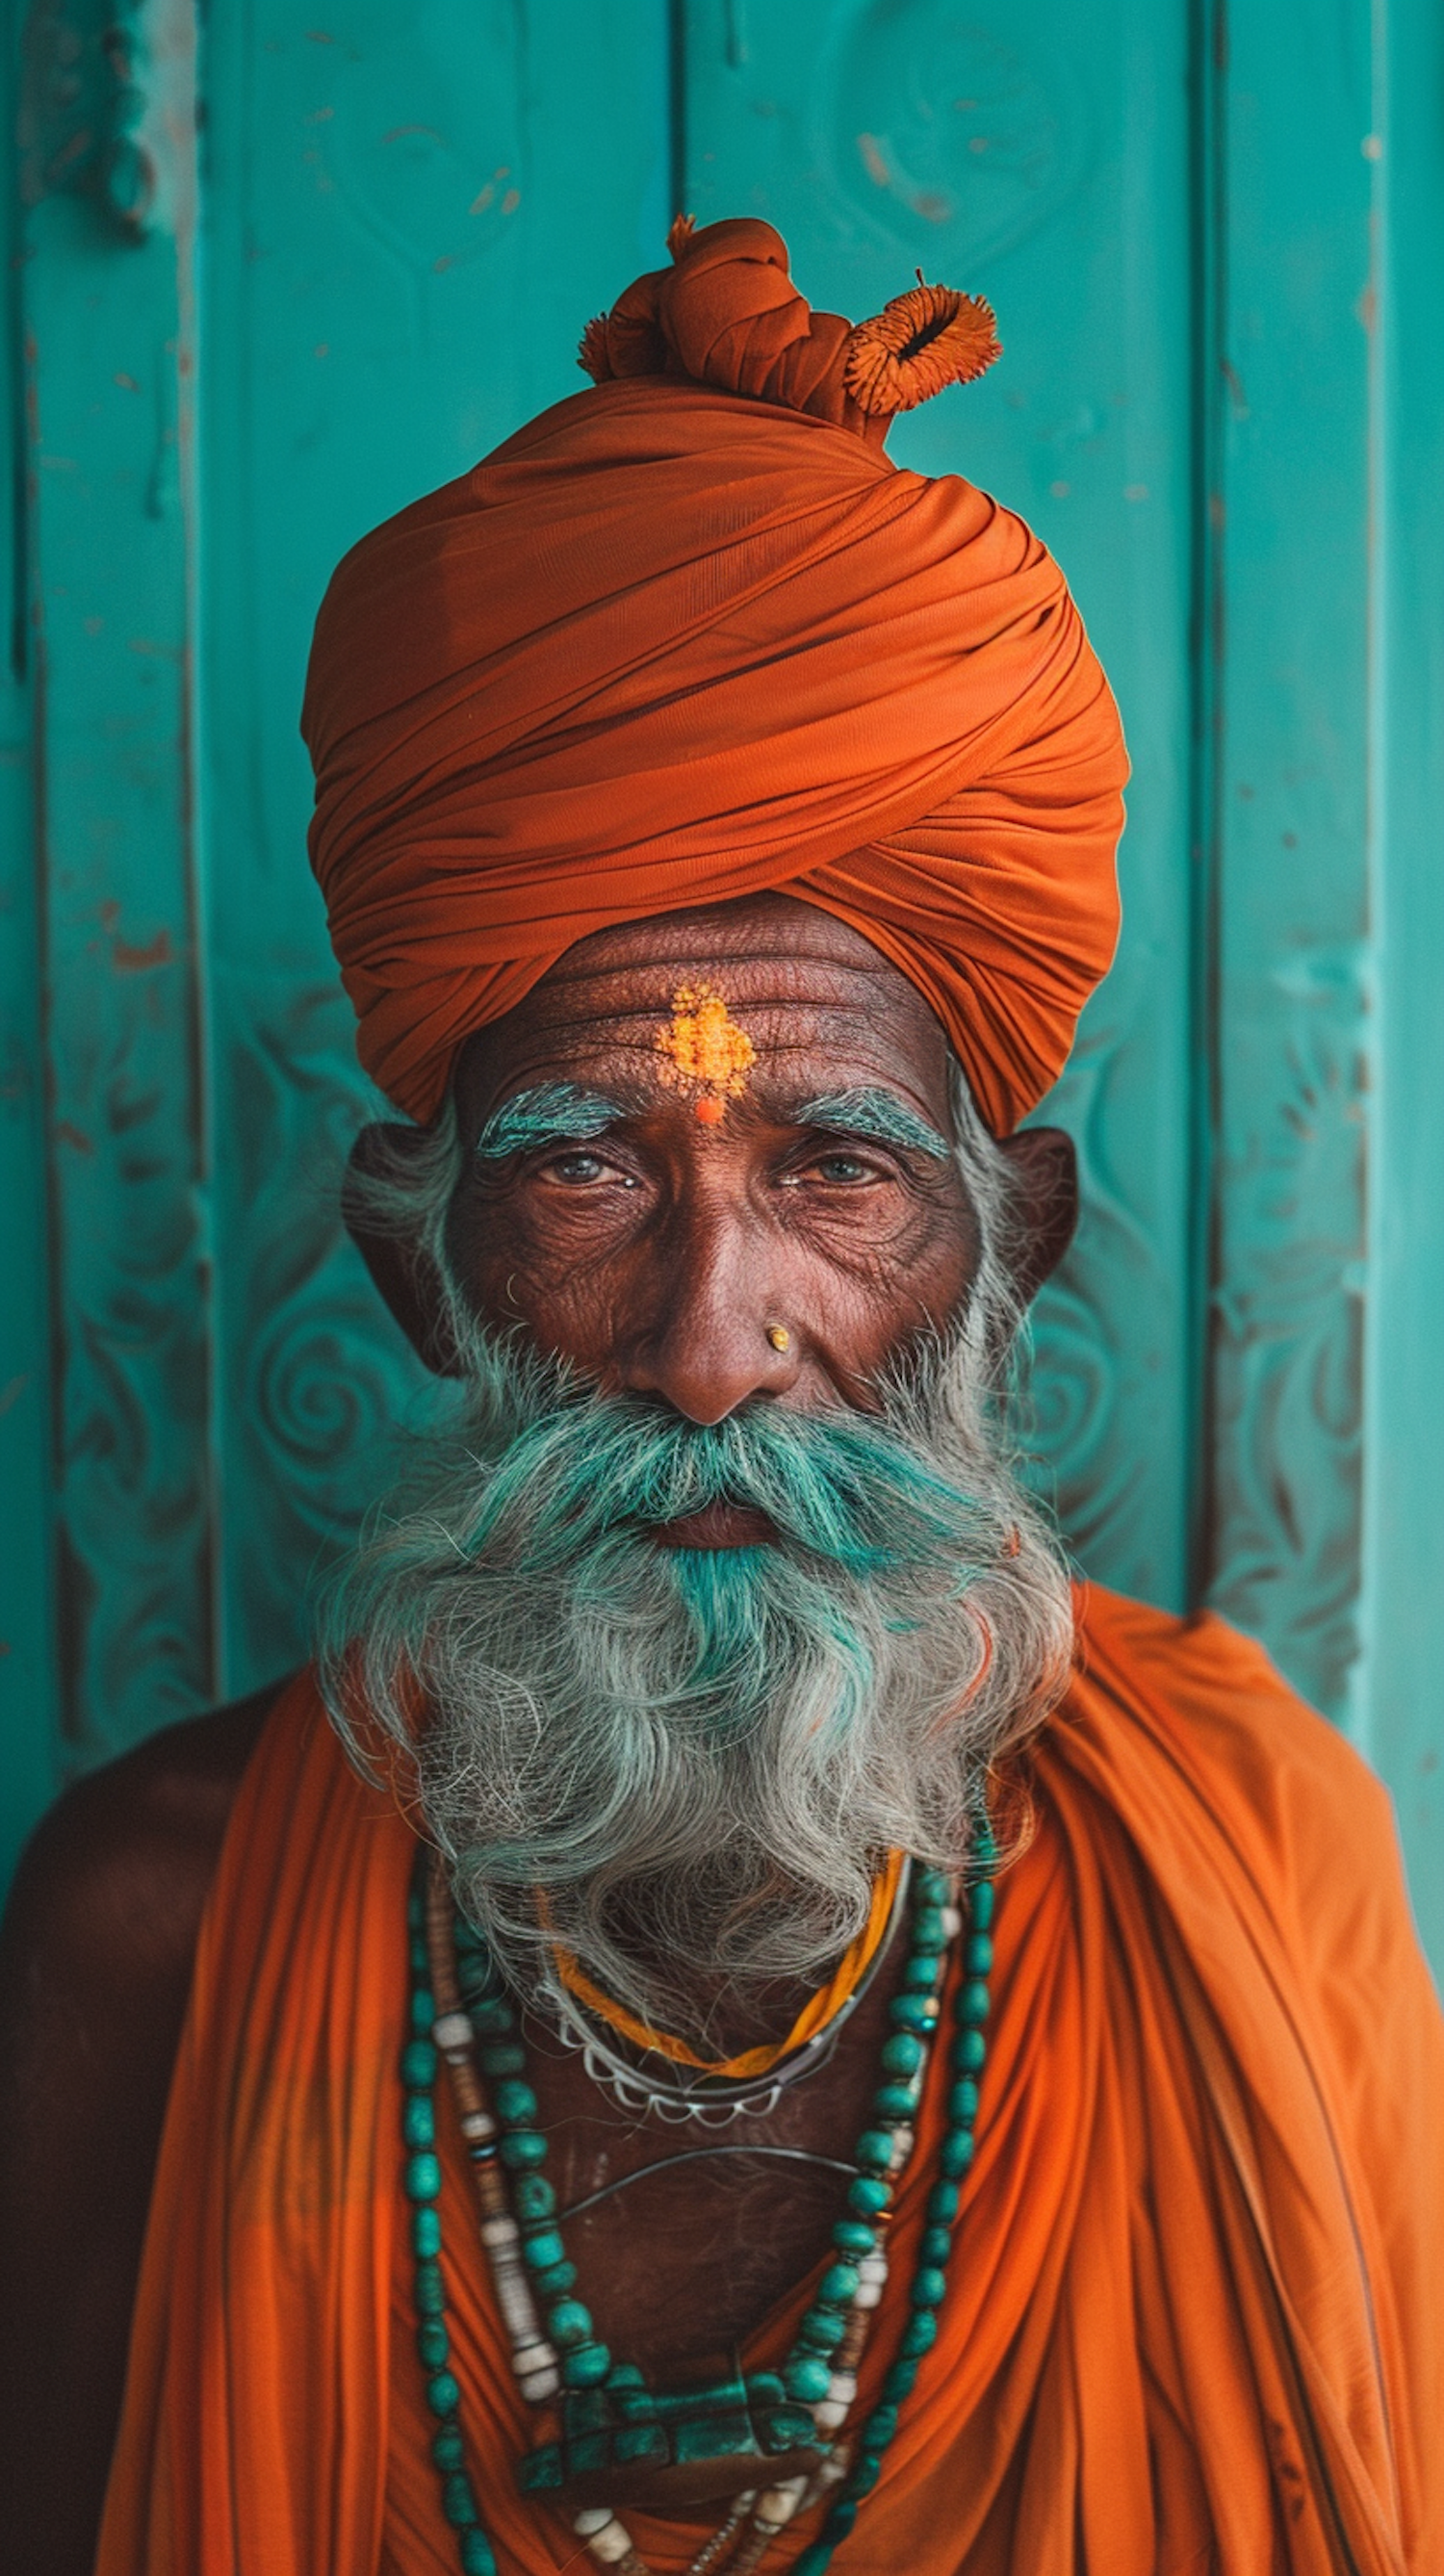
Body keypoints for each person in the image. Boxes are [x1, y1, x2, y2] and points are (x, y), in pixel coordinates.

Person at [1, 217, 1439, 2576]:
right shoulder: (150, 1932)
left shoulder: (1258, 1869)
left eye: (840, 1168)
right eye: (581, 1164)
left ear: (1016, 1257)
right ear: (413, 1262)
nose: (704, 1338)